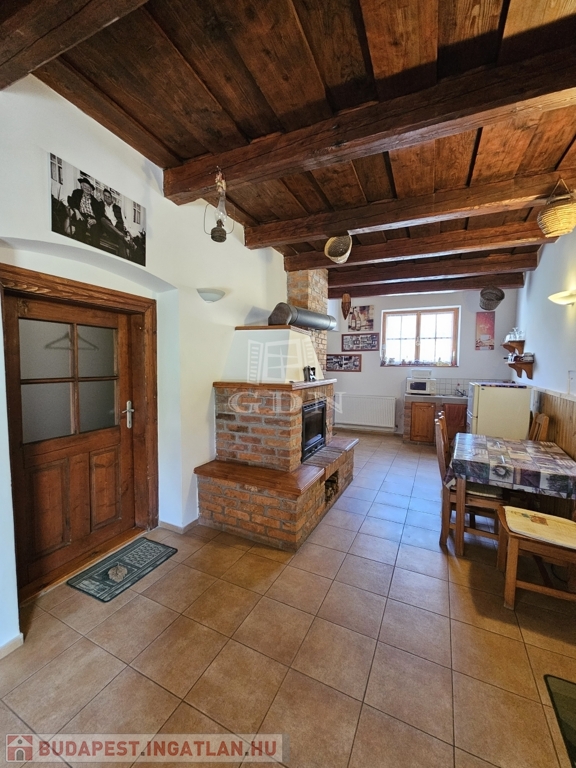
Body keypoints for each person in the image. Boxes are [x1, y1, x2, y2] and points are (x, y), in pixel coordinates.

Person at [67, 177, 102, 247]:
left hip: (92, 218)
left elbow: (100, 213)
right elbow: (70, 200)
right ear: (82, 187)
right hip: (81, 215)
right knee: (80, 225)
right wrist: (76, 211)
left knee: (96, 230)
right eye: (85, 186)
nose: (88, 189)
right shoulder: (77, 193)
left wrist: (95, 220)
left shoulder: (95, 201)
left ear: (91, 190)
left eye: (89, 188)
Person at [100, 189, 131, 259]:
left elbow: (124, 221)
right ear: (103, 197)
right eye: (105, 196)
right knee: (103, 219)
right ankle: (124, 237)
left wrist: (127, 230)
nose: (107, 198)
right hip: (109, 230)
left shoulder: (118, 208)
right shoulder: (101, 206)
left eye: (109, 196)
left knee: (121, 243)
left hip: (119, 230)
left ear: (111, 198)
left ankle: (124, 261)